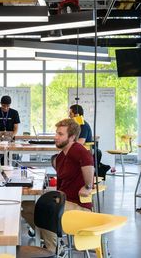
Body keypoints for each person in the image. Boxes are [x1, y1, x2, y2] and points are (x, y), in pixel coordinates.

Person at [40, 118, 95, 253]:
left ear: (71, 137)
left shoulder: (77, 149)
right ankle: (53, 242)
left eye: (60, 134)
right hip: (64, 201)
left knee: (46, 211)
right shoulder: (60, 157)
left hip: (79, 206)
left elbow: (89, 162)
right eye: (56, 133)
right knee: (28, 207)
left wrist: (88, 186)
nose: (56, 137)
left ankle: (54, 250)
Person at [68, 104, 111, 178]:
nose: (69, 116)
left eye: (70, 113)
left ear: (77, 115)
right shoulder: (76, 125)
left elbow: (81, 142)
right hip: (81, 150)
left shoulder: (83, 125)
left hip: (87, 150)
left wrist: (67, 143)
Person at [0, 95, 20, 167]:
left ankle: (9, 172)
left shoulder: (14, 113)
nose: (5, 108)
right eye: (3, 105)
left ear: (10, 105)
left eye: (7, 106)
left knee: (9, 159)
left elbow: (16, 128)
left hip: (10, 139)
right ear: (0, 103)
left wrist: (11, 136)